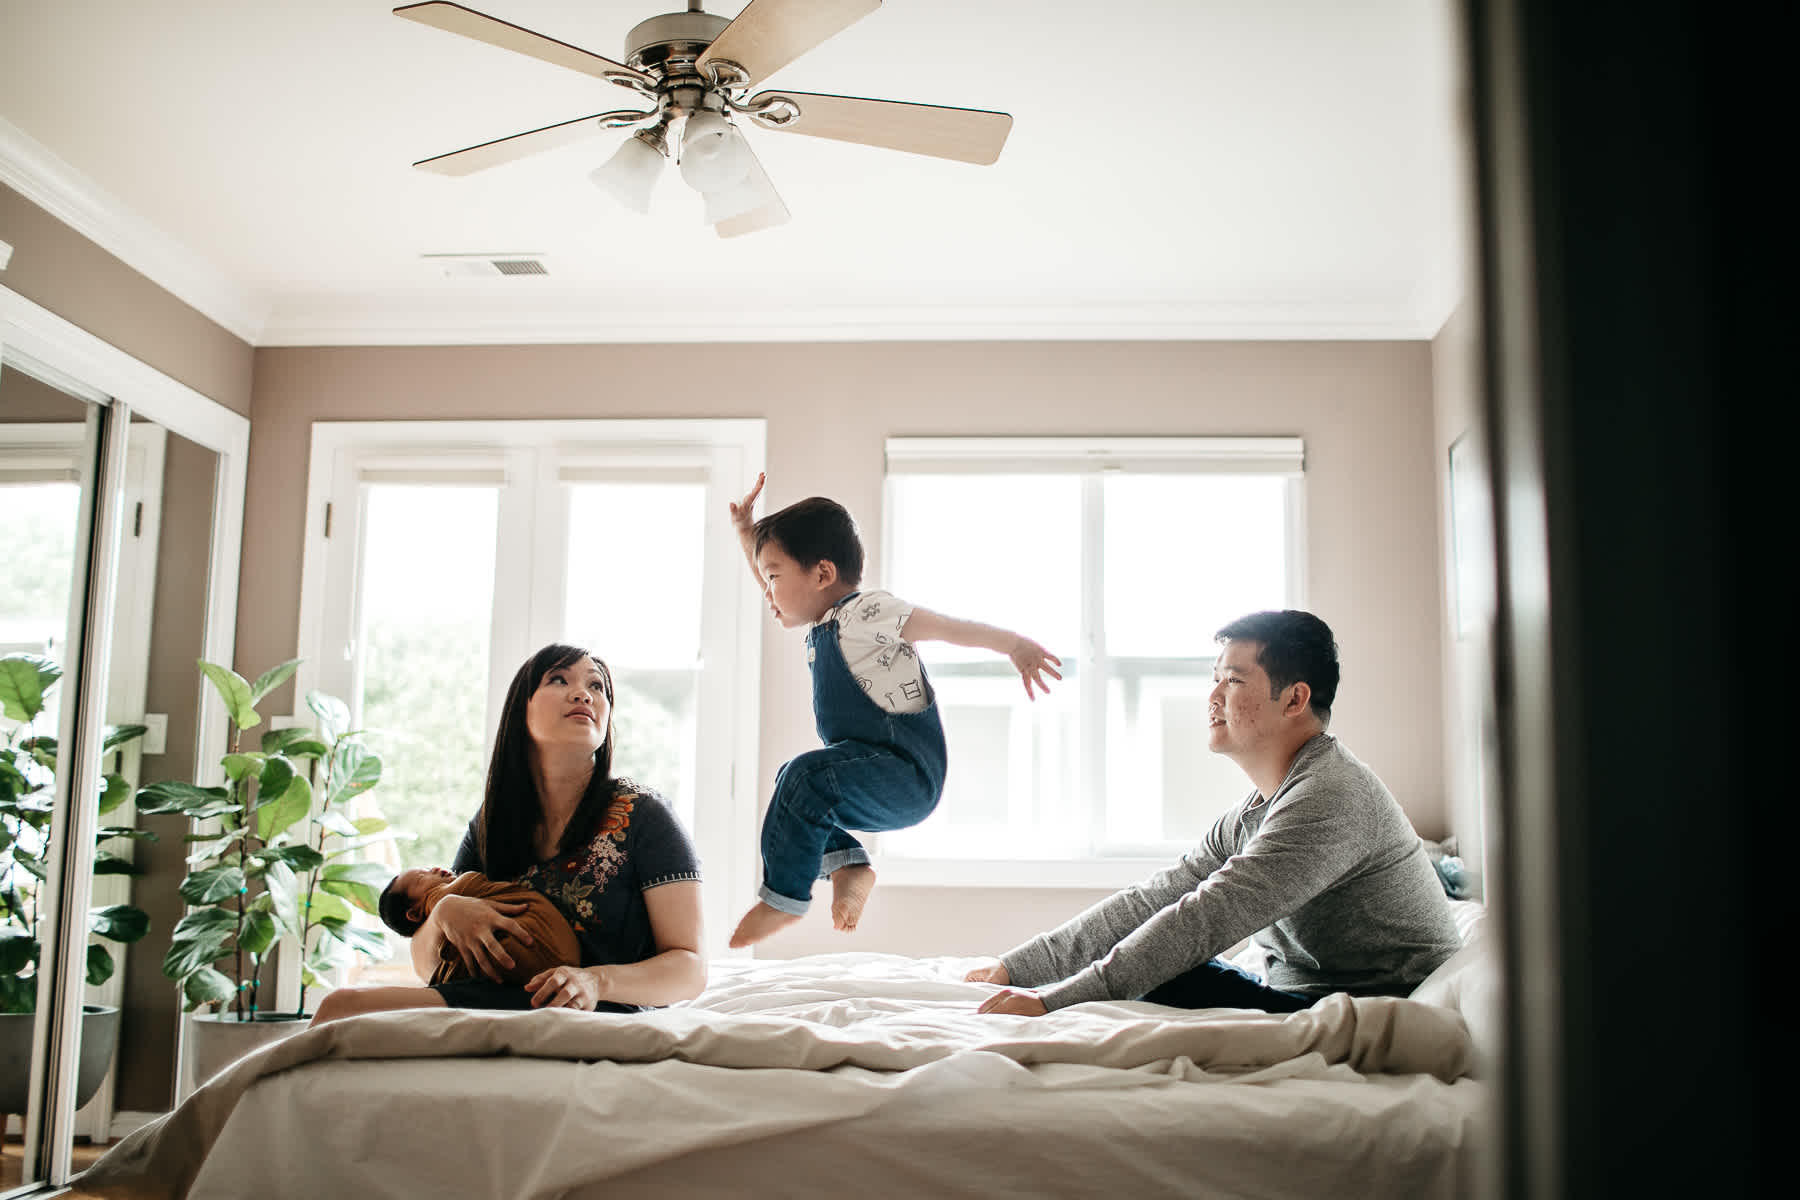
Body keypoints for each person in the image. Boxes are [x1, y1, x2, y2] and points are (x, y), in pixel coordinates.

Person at [966, 609, 1462, 1016]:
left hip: (1369, 1008)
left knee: (1165, 966)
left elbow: (1206, 917)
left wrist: (1052, 1001)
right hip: (1309, 997)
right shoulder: (1261, 807)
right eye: (1214, 679)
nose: (1213, 696)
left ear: (1294, 698)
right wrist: (1017, 968)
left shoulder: (1330, 797)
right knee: (1155, 958)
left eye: (1233, 680)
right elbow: (1156, 898)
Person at [726, 473, 1062, 949]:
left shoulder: (869, 613)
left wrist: (1013, 645)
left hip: (905, 773)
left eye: (774, 577)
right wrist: (747, 533)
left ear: (822, 574)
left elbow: (947, 627)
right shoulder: (823, 622)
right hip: (867, 768)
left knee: (803, 777)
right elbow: (777, 580)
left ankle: (783, 899)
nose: (767, 591)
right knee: (794, 779)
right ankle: (850, 865)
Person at [310, 644, 705, 1025]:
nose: (584, 694)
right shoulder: (492, 823)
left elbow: (690, 968)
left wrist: (595, 980)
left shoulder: (645, 816)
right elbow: (424, 959)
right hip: (496, 1002)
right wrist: (445, 912)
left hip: (601, 1013)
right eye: (559, 679)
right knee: (339, 1006)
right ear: (522, 709)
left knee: (345, 1007)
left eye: (597, 686)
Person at [376, 865, 582, 987]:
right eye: (422, 878)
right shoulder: (451, 892)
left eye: (429, 867)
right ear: (413, 914)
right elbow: (466, 885)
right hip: (560, 955)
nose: (436, 869)